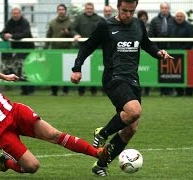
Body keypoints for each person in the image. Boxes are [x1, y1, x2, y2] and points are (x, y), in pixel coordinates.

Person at [0, 42, 110, 174]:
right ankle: (7, 162)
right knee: (32, 167)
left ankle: (97, 153)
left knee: (54, 134)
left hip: (14, 111)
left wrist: (5, 76)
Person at [70, 0, 173, 176]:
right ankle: (102, 133)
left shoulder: (138, 24)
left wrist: (158, 53)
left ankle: (101, 164)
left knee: (131, 129)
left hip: (133, 79)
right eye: (124, 11)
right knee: (134, 111)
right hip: (113, 78)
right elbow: (87, 46)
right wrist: (77, 68)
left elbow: (147, 44)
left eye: (131, 11)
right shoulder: (105, 25)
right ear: (118, 7)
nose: (127, 15)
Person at [1, 6, 35, 95]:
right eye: (13, 13)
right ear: (11, 14)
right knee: (19, 69)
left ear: (20, 14)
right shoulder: (9, 22)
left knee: (28, 69)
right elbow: (2, 33)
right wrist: (4, 36)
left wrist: (11, 36)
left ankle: (30, 89)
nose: (15, 15)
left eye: (17, 13)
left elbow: (25, 34)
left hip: (28, 49)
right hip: (17, 50)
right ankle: (24, 89)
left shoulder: (25, 22)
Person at [73, 2, 102, 96]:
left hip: (95, 48)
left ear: (93, 9)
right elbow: (72, 28)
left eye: (91, 8)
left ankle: (94, 90)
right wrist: (75, 34)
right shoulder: (79, 18)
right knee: (81, 69)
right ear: (85, 9)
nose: (89, 10)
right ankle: (81, 91)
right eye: (87, 8)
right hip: (82, 48)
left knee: (94, 70)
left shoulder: (99, 19)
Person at [45, 4, 74, 96]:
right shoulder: (52, 22)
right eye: (59, 9)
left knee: (66, 72)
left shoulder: (71, 22)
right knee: (54, 71)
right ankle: (54, 91)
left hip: (66, 50)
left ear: (65, 11)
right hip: (54, 50)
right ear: (57, 11)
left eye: (62, 9)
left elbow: (74, 34)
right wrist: (45, 48)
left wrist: (68, 33)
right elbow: (48, 35)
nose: (61, 11)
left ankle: (65, 91)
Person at [148, 2, 174, 96]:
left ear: (168, 9)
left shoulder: (174, 20)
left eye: (166, 8)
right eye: (162, 8)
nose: (164, 9)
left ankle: (170, 90)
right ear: (160, 9)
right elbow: (151, 34)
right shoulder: (154, 20)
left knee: (171, 71)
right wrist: (155, 48)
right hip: (158, 49)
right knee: (160, 71)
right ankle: (162, 91)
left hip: (171, 48)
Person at [170, 9, 193, 97]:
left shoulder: (190, 27)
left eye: (181, 16)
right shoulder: (171, 26)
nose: (179, 18)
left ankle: (189, 92)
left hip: (187, 53)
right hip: (175, 54)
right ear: (175, 17)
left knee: (189, 73)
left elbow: (192, 40)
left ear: (184, 17)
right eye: (177, 16)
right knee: (177, 74)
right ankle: (179, 92)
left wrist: (183, 49)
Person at [137, 10, 151, 96]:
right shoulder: (135, 25)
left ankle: (147, 90)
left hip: (147, 52)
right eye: (141, 16)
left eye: (144, 16)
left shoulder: (150, 25)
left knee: (148, 73)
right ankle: (139, 89)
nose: (143, 18)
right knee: (139, 73)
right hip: (138, 50)